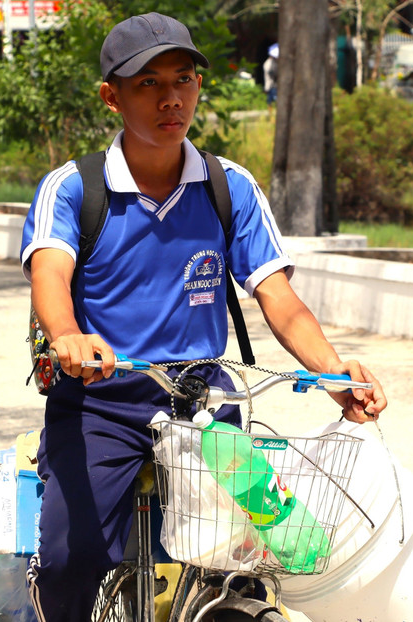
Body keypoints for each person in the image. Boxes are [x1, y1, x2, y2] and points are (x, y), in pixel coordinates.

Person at [20, 13, 387, 622]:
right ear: (111, 96)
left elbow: (279, 297)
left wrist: (334, 373)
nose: (171, 98)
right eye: (148, 83)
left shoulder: (230, 186)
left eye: (184, 80)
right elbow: (49, 275)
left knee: (257, 557)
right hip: (100, 401)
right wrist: (68, 337)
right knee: (67, 556)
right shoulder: (72, 188)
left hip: (204, 405)